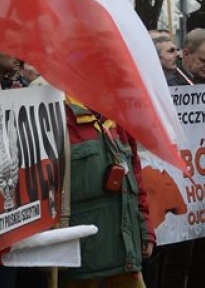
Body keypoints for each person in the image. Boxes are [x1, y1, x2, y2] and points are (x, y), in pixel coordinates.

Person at [62, 97, 154, 288]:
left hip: (125, 257)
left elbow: (135, 179)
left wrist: (145, 228)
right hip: (83, 265)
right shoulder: (57, 115)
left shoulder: (116, 116)